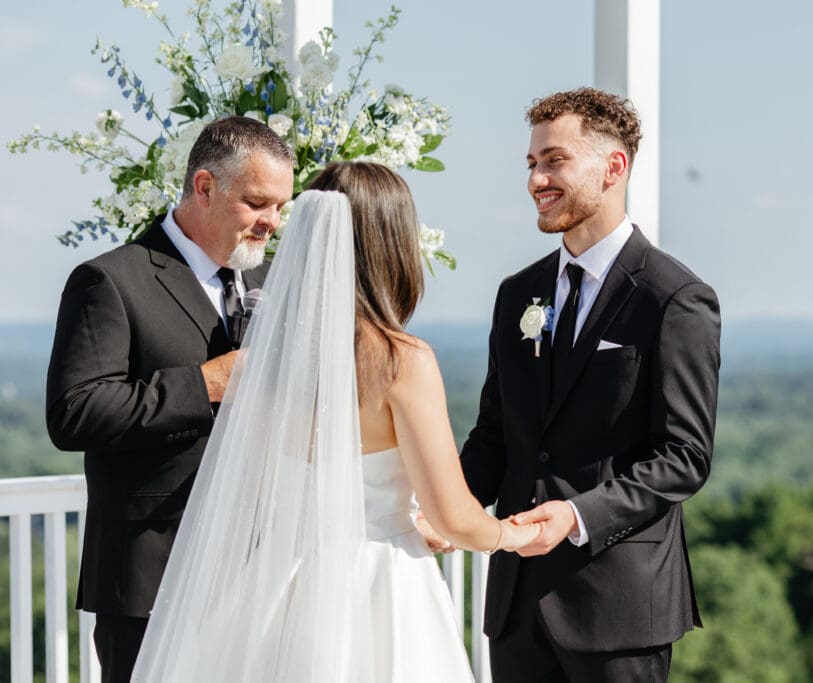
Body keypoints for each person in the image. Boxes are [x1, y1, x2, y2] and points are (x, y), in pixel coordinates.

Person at [130, 161, 540, 682]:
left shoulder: (265, 362)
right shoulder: (401, 360)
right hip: (379, 585)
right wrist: (513, 536)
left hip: (279, 583)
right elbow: (454, 515)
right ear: (390, 244)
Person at [459, 87, 722, 682]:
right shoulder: (516, 293)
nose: (536, 179)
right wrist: (448, 509)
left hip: (619, 611)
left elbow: (684, 457)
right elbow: (497, 432)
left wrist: (575, 517)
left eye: (554, 160)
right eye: (531, 163)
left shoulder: (675, 298)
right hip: (517, 607)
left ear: (613, 167)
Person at [46, 115, 296, 682]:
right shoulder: (110, 280)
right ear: (205, 187)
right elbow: (74, 412)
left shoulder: (272, 280)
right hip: (150, 579)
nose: (271, 224)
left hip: (260, 573)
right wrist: (206, 384)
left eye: (280, 207)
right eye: (258, 203)